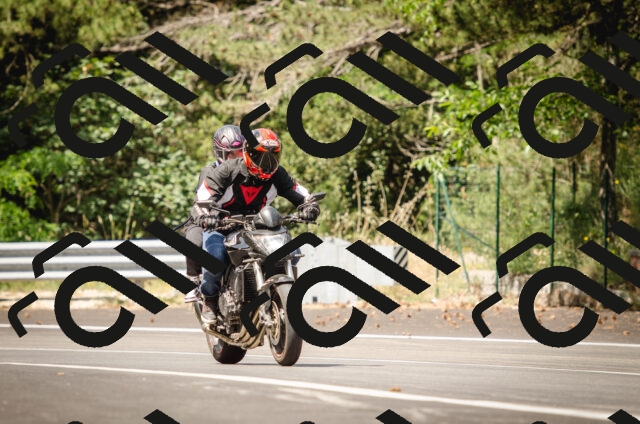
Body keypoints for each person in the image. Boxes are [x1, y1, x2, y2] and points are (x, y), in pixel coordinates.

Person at [194, 128, 320, 320]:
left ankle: (280, 293)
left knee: (292, 252)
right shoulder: (228, 170)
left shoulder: (278, 174)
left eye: (273, 156)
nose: (267, 163)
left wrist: (309, 206)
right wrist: (207, 216)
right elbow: (204, 195)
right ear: (247, 152)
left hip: (258, 227)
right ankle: (209, 300)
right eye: (260, 156)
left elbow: (298, 191)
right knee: (215, 258)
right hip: (221, 225)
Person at [182, 125, 245, 303]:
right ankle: (194, 280)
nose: (237, 157)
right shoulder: (209, 172)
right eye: (231, 154)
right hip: (206, 216)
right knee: (195, 240)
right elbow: (202, 202)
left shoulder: (246, 170)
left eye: (240, 152)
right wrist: (208, 217)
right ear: (220, 153)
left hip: (235, 219)